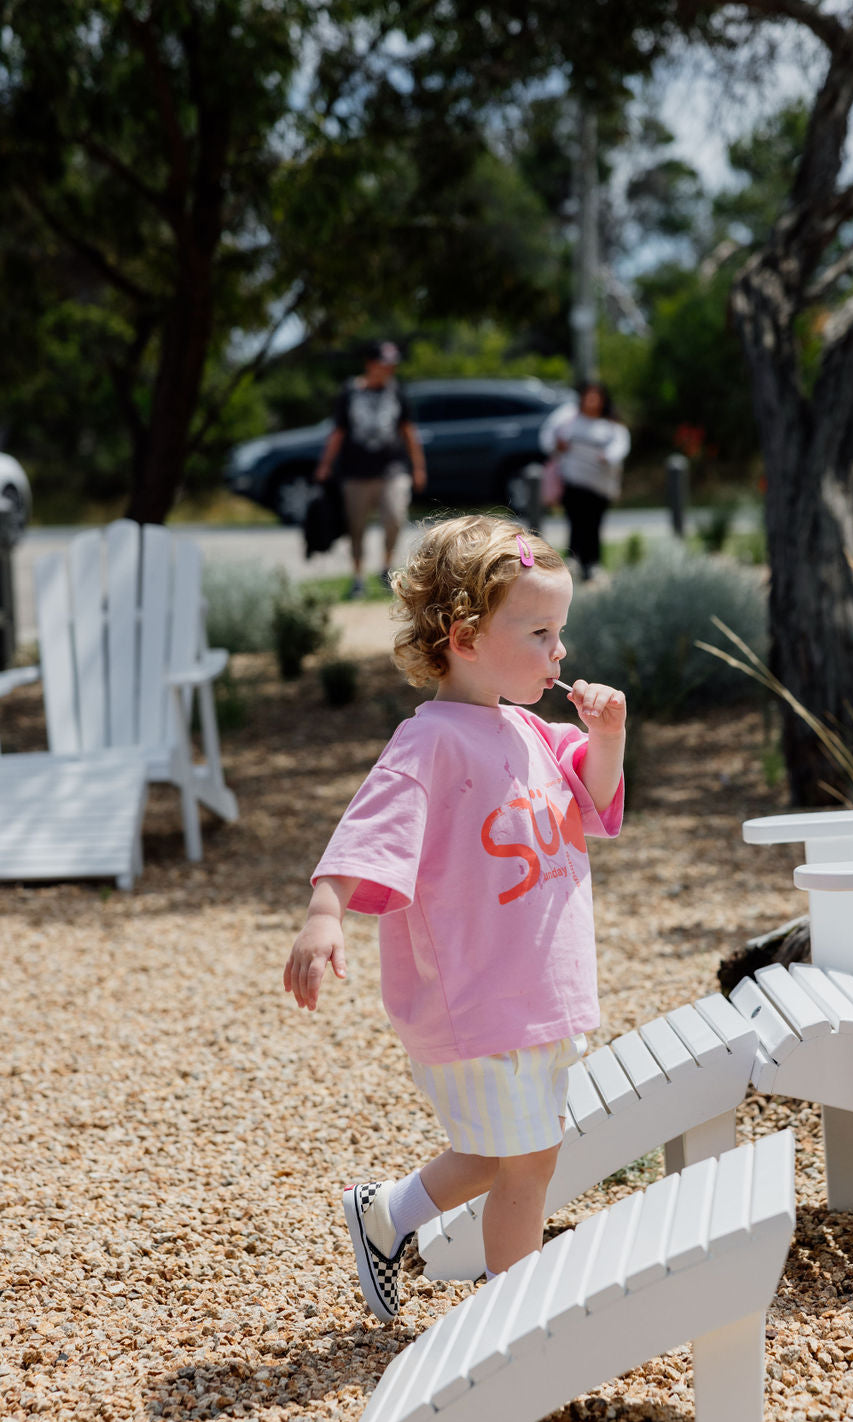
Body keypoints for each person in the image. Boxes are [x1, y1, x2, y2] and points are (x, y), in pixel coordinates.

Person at [283, 515, 626, 1321]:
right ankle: (518, 1322)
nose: (559, 652)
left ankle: (386, 1213)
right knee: (529, 1160)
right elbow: (367, 830)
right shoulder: (429, 743)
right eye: (540, 632)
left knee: (495, 1150)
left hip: (535, 997)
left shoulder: (533, 729)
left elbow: (596, 796)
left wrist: (606, 738)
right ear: (466, 636)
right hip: (478, 1000)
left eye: (561, 631)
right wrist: (325, 909)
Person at [314, 339, 427, 598]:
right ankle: (357, 578)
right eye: (383, 365)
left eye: (391, 366)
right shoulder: (350, 392)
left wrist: (418, 467)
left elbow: (409, 432)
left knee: (395, 518)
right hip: (355, 472)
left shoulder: (397, 391)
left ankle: (386, 568)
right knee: (356, 527)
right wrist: (324, 465)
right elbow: (338, 432)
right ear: (369, 364)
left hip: (392, 470)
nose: (388, 370)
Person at [542, 382, 631, 582]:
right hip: (573, 481)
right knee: (575, 523)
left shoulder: (612, 426)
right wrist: (558, 445)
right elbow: (548, 437)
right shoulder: (569, 418)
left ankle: (592, 564)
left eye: (596, 396)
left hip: (600, 485)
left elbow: (620, 447)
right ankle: (573, 562)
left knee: (594, 525)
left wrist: (606, 457)